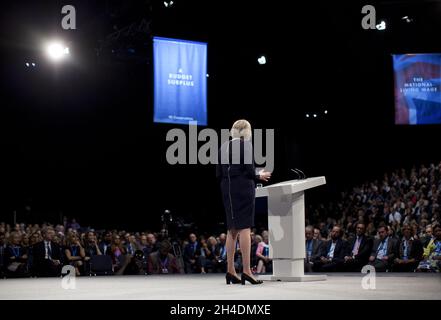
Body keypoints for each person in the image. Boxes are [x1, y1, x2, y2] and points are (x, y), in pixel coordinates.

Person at [216, 119, 271, 285]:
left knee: (232, 228)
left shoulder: (222, 146)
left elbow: (218, 172)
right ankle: (247, 271)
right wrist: (258, 175)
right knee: (245, 227)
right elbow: (248, 169)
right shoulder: (245, 145)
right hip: (242, 188)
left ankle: (231, 271)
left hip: (227, 188)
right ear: (247, 132)